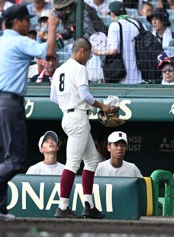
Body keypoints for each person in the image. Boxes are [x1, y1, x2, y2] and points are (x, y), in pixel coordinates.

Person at [0, 4, 59, 221]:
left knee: (0, 160)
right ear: (16, 22)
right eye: (26, 19)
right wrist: (52, 27)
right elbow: (50, 53)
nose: (29, 23)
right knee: (16, 159)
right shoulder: (19, 40)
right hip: (10, 103)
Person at [50, 37, 116, 219]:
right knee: (72, 164)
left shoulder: (60, 70)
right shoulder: (79, 68)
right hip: (78, 117)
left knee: (92, 161)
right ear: (82, 51)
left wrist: (67, 104)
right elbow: (85, 95)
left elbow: (53, 97)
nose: (88, 58)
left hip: (69, 115)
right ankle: (62, 207)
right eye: (88, 54)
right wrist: (102, 106)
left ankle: (89, 206)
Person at [93, 1, 143, 84]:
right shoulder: (138, 24)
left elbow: (113, 50)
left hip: (123, 78)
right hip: (140, 77)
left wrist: (98, 52)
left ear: (112, 14)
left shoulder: (114, 25)